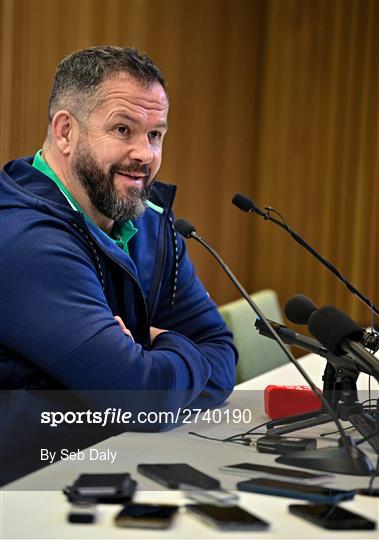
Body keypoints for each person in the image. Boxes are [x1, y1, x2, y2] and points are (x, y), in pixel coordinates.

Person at [0, 46, 237, 481]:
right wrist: (164, 354)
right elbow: (139, 399)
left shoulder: (147, 222)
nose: (145, 154)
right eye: (123, 129)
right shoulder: (23, 238)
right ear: (66, 132)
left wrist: (145, 360)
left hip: (103, 467)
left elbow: (222, 354)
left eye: (155, 135)